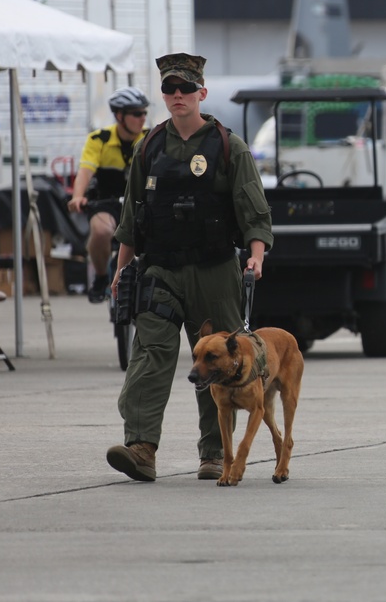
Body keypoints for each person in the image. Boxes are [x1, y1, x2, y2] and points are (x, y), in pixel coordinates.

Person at [105, 53, 274, 482]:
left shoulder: (227, 146)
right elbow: (131, 221)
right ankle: (141, 448)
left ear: (202, 92)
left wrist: (255, 255)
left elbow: (254, 210)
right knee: (151, 353)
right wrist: (122, 270)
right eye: (169, 89)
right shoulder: (149, 147)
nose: (176, 96)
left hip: (215, 270)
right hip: (161, 269)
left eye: (185, 88)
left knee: (217, 362)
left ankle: (215, 453)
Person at [67, 87, 150, 303]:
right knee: (102, 231)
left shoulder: (151, 138)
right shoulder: (99, 139)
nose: (142, 118)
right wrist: (77, 196)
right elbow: (85, 171)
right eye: (136, 113)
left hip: (141, 201)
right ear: (120, 116)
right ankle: (101, 277)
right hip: (106, 202)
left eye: (144, 113)